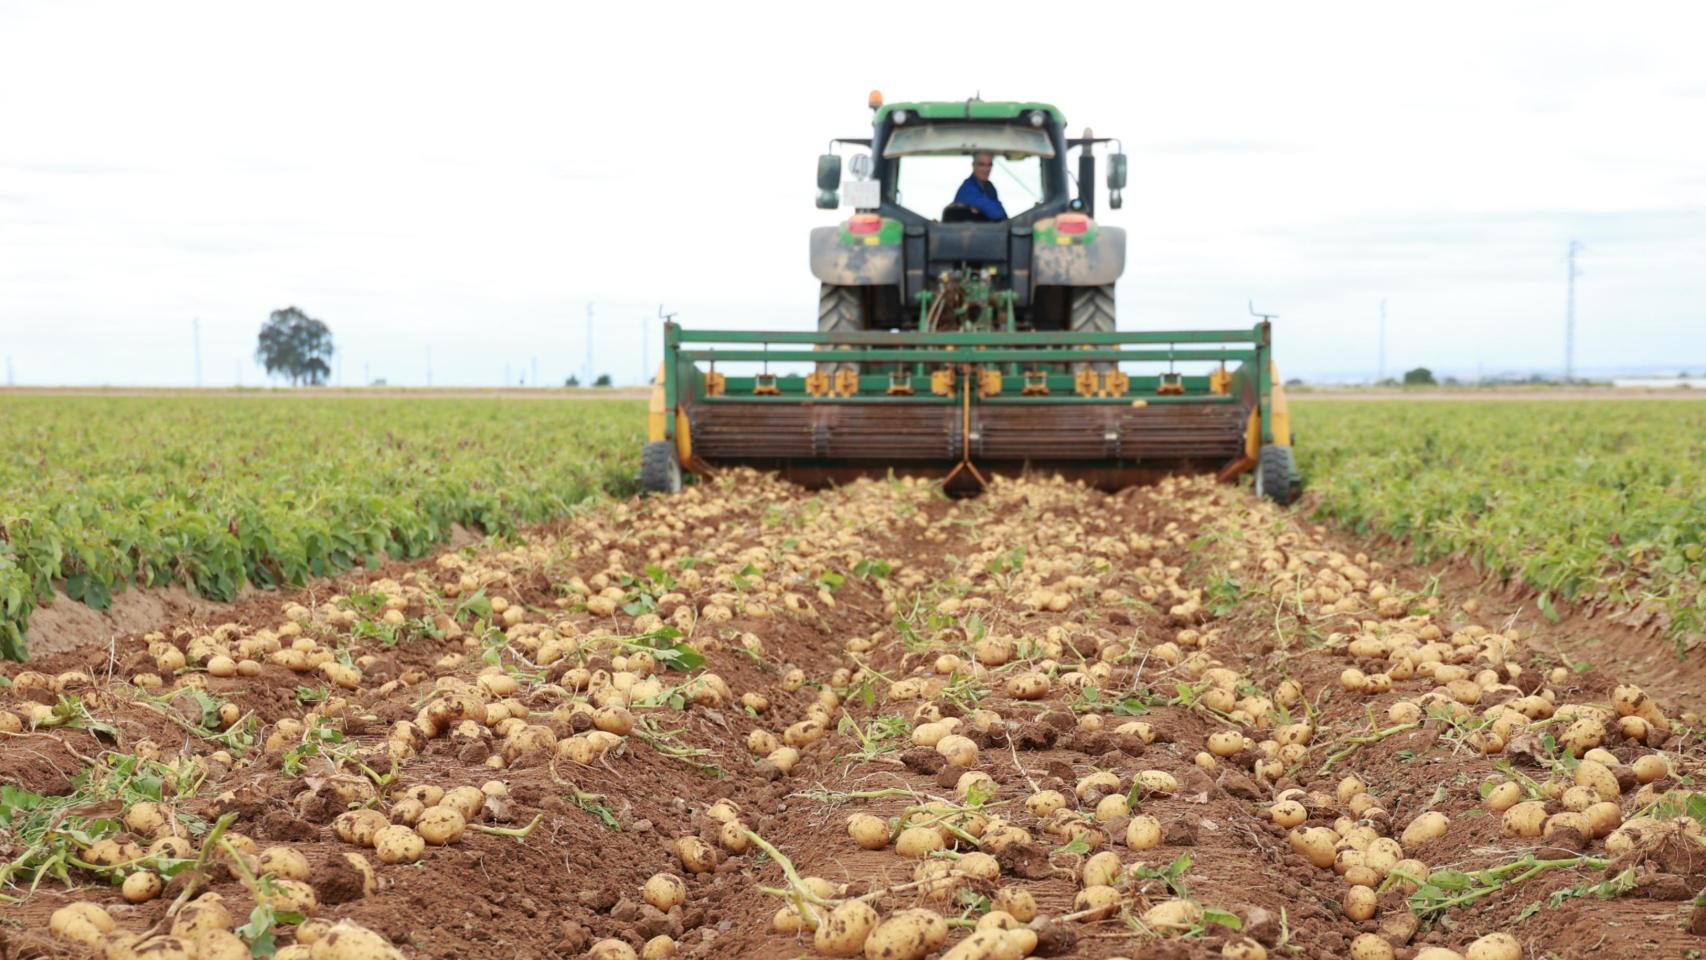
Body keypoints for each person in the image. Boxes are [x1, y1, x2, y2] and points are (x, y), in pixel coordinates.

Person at [952, 152, 1007, 221]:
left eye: (989, 165)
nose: (986, 169)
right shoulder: (967, 189)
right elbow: (996, 213)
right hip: (967, 227)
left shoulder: (990, 187)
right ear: (973, 165)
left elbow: (1003, 217)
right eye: (981, 165)